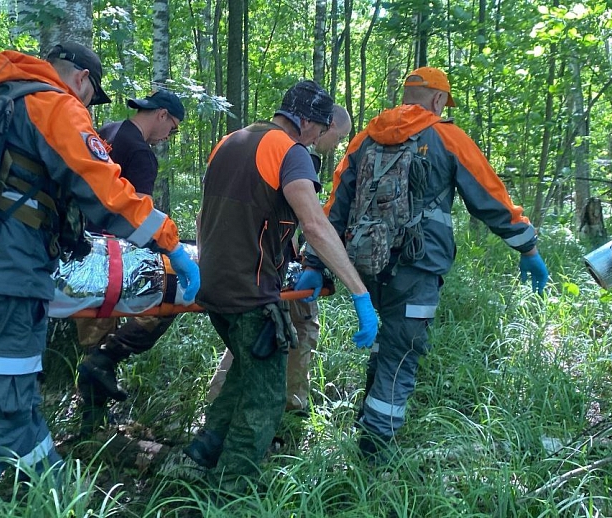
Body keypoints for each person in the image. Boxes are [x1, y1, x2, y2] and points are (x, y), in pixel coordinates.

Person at [0, 42, 200, 518]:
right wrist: (171, 245)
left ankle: (62, 500)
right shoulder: (51, 105)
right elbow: (106, 193)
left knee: (17, 401)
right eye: (90, 96)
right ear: (82, 79)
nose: (88, 107)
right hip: (5, 285)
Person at [298, 66, 549, 464]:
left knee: (387, 344)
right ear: (437, 100)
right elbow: (490, 198)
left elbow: (334, 207)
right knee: (400, 354)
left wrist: (315, 262)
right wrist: (528, 248)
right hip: (417, 269)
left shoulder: (364, 138)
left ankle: (368, 427)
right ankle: (374, 456)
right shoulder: (448, 137)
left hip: (366, 267)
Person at [182, 80, 378, 486]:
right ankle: (234, 486)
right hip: (250, 294)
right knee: (266, 395)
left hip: (212, 287)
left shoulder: (230, 140)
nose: (325, 140)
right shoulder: (291, 152)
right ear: (307, 123)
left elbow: (204, 219)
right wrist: (360, 292)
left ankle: (200, 453)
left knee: (242, 376)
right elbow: (315, 225)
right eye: (324, 131)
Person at [204, 105, 353, 417]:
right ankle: (282, 405)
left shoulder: (247, 146)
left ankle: (275, 402)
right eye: (338, 137)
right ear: (324, 127)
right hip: (267, 270)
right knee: (267, 335)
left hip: (262, 264)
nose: (336, 145)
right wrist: (355, 287)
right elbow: (308, 222)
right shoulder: (293, 154)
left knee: (265, 336)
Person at [74, 89, 186, 431]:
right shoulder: (140, 153)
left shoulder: (107, 131)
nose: (169, 137)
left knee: (91, 333)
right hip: (111, 258)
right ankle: (94, 417)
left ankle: (92, 421)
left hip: (80, 247)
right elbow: (140, 216)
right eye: (174, 128)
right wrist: (169, 252)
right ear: (162, 115)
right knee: (163, 307)